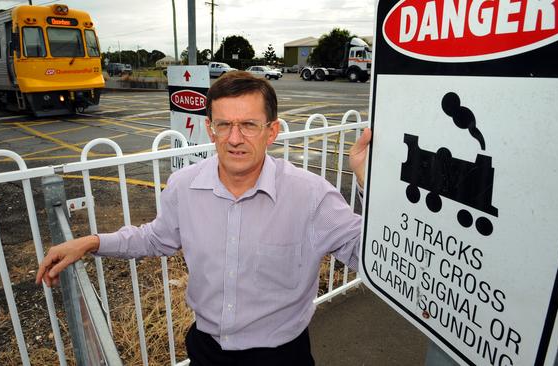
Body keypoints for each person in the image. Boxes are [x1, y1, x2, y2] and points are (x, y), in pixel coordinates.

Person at [36, 71, 372, 365]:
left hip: (280, 355)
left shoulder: (310, 195)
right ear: (210, 129)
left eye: (249, 125)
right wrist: (92, 242)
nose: (235, 138)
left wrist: (369, 187)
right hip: (207, 349)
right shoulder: (185, 186)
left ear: (272, 132)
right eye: (224, 125)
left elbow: (369, 254)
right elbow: (156, 237)